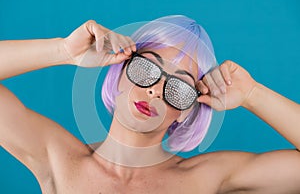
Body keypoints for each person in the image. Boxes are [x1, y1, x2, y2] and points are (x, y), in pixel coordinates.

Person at [0, 15, 299, 194]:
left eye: (179, 87)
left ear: (187, 110)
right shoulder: (59, 159)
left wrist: (253, 95)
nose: (156, 90)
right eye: (147, 69)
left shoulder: (207, 177)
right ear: (118, 72)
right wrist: (63, 51)